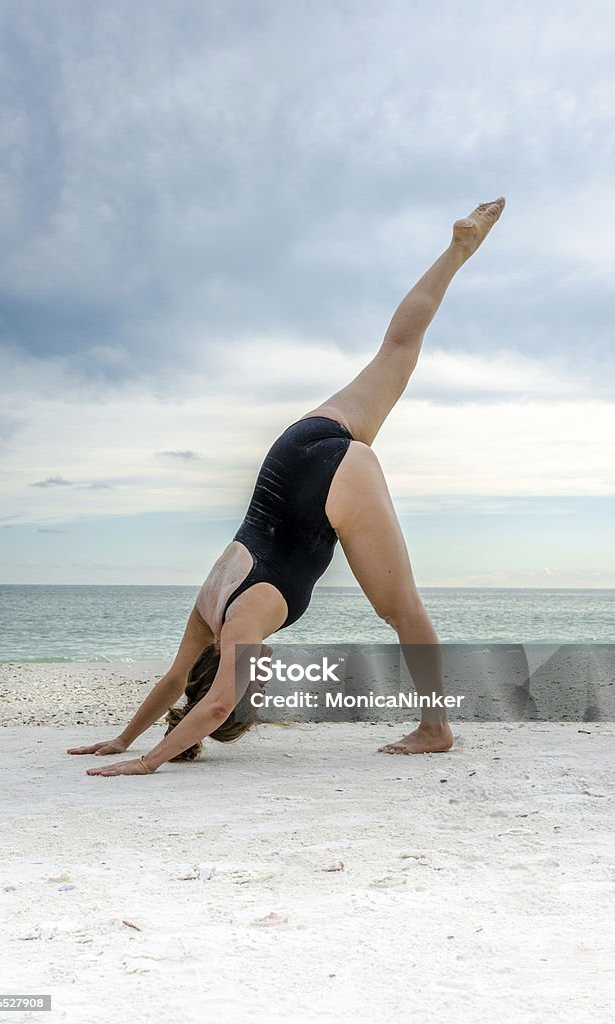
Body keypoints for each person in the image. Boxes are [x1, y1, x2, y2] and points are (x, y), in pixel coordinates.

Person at [69, 197, 506, 776]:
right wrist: (121, 738)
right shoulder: (206, 612)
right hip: (294, 448)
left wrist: (143, 762)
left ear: (231, 670)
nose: (264, 676)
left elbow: (214, 701)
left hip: (334, 483)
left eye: (255, 681)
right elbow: (174, 682)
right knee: (396, 351)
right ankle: (457, 250)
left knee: (403, 611)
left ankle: (435, 727)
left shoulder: (243, 625)